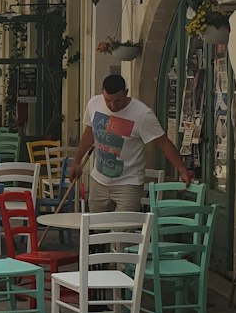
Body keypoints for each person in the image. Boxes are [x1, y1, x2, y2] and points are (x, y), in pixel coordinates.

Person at [69, 74, 192, 212]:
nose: (113, 105)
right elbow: (89, 134)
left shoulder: (142, 114)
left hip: (128, 183)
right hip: (99, 181)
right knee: (97, 229)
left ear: (126, 93)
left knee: (124, 230)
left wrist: (182, 170)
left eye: (118, 100)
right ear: (102, 92)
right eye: (108, 100)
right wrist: (76, 161)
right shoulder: (94, 104)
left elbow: (163, 143)